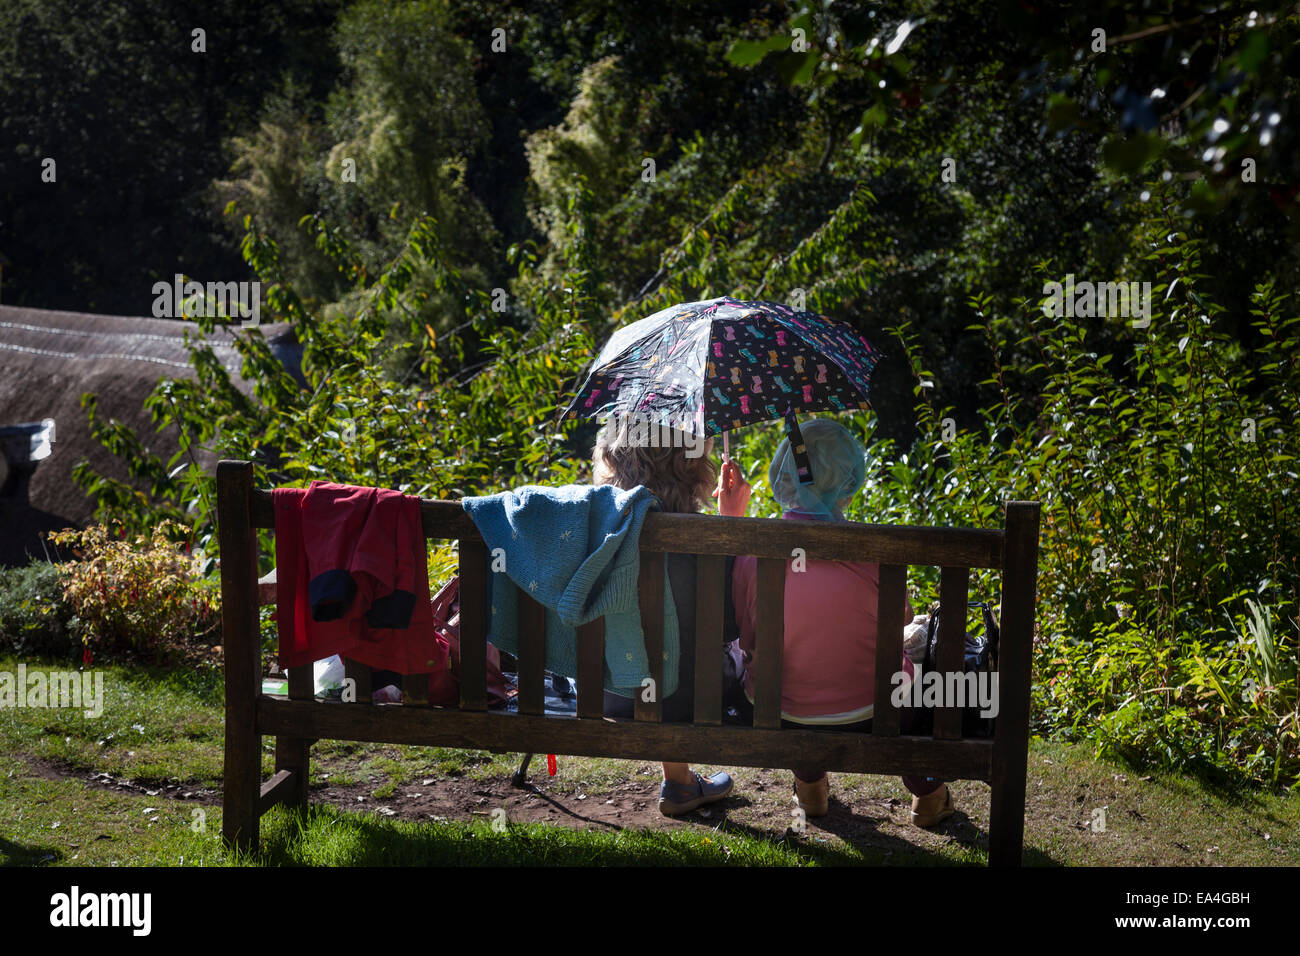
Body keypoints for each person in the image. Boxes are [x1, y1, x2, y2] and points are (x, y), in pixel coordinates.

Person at [729, 418, 955, 827]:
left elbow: (748, 637)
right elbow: (901, 619)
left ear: (783, 476)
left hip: (781, 710)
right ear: (849, 483)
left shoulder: (757, 550)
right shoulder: (873, 550)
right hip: (875, 710)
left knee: (788, 675)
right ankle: (928, 793)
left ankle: (811, 789)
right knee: (902, 675)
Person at [592, 417, 751, 816]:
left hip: (613, 693)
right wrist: (731, 526)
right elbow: (729, 627)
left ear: (616, 457)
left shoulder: (599, 531)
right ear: (692, 463)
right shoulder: (703, 539)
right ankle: (679, 782)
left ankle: (679, 782)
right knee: (697, 656)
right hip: (696, 697)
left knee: (650, 651)